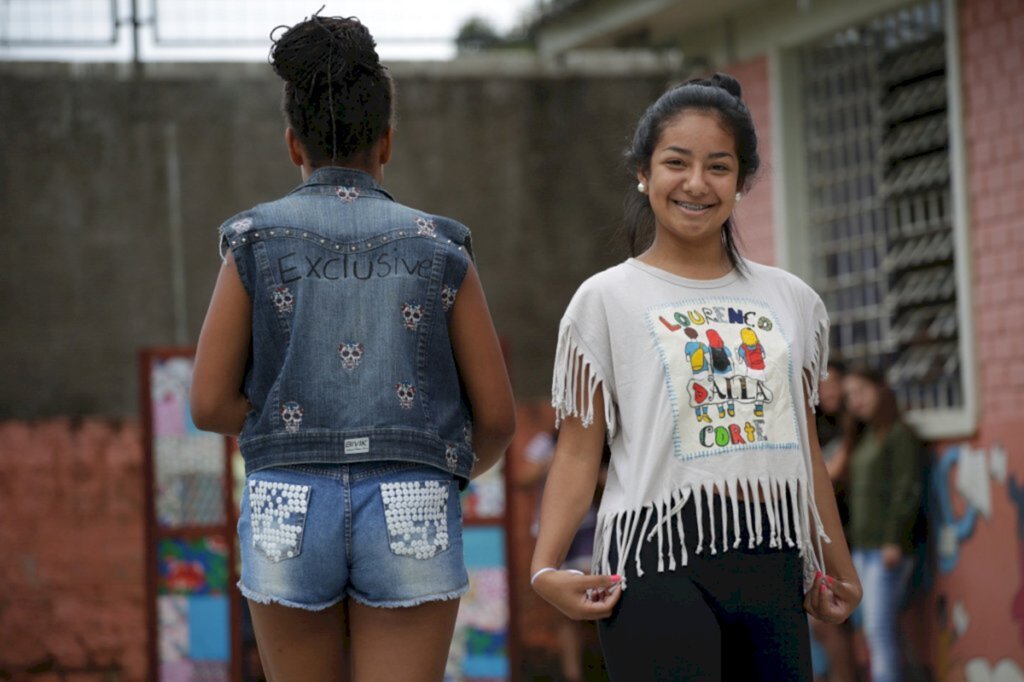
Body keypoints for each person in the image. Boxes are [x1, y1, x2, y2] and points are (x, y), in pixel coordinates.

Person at [189, 13, 516, 682]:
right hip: (412, 496)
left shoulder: (251, 241)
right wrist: (437, 467)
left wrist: (283, 428)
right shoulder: (440, 245)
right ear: (387, 142)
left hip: (287, 502)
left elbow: (207, 402)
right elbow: (498, 420)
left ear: (292, 144)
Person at [529, 73, 862, 680]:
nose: (696, 184)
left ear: (742, 181)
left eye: (719, 167)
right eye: (676, 162)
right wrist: (546, 567)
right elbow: (580, 453)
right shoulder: (604, 300)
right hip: (657, 560)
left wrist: (836, 565)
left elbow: (804, 447)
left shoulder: (792, 301)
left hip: (773, 559)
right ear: (643, 172)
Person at [842, 366, 923, 682]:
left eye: (861, 391)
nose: (855, 400)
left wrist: (893, 540)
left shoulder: (898, 435)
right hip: (862, 550)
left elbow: (907, 490)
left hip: (886, 551)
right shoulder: (863, 439)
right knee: (874, 631)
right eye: (849, 396)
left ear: (879, 389)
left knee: (878, 629)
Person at [517, 425, 604, 682]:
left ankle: (603, 664)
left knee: (597, 594)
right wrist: (561, 458)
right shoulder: (545, 441)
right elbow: (523, 477)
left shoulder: (601, 437)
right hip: (556, 532)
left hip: (591, 526)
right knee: (564, 608)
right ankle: (573, 674)